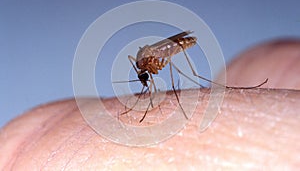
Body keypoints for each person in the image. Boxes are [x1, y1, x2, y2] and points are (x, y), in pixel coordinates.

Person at [1, 39, 299, 170]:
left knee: (181, 70)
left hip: (170, 47)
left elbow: (151, 58)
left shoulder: (150, 63)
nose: (144, 79)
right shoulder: (144, 65)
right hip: (155, 54)